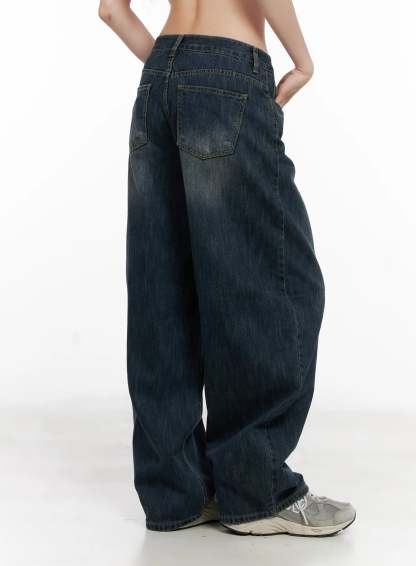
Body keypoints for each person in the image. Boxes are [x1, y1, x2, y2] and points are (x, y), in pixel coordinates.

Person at [98, 0, 356, 536]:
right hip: (230, 69)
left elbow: (111, 10)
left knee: (163, 287)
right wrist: (302, 60)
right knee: (274, 281)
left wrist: (175, 73)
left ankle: (177, 493)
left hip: (158, 78)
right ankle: (257, 489)